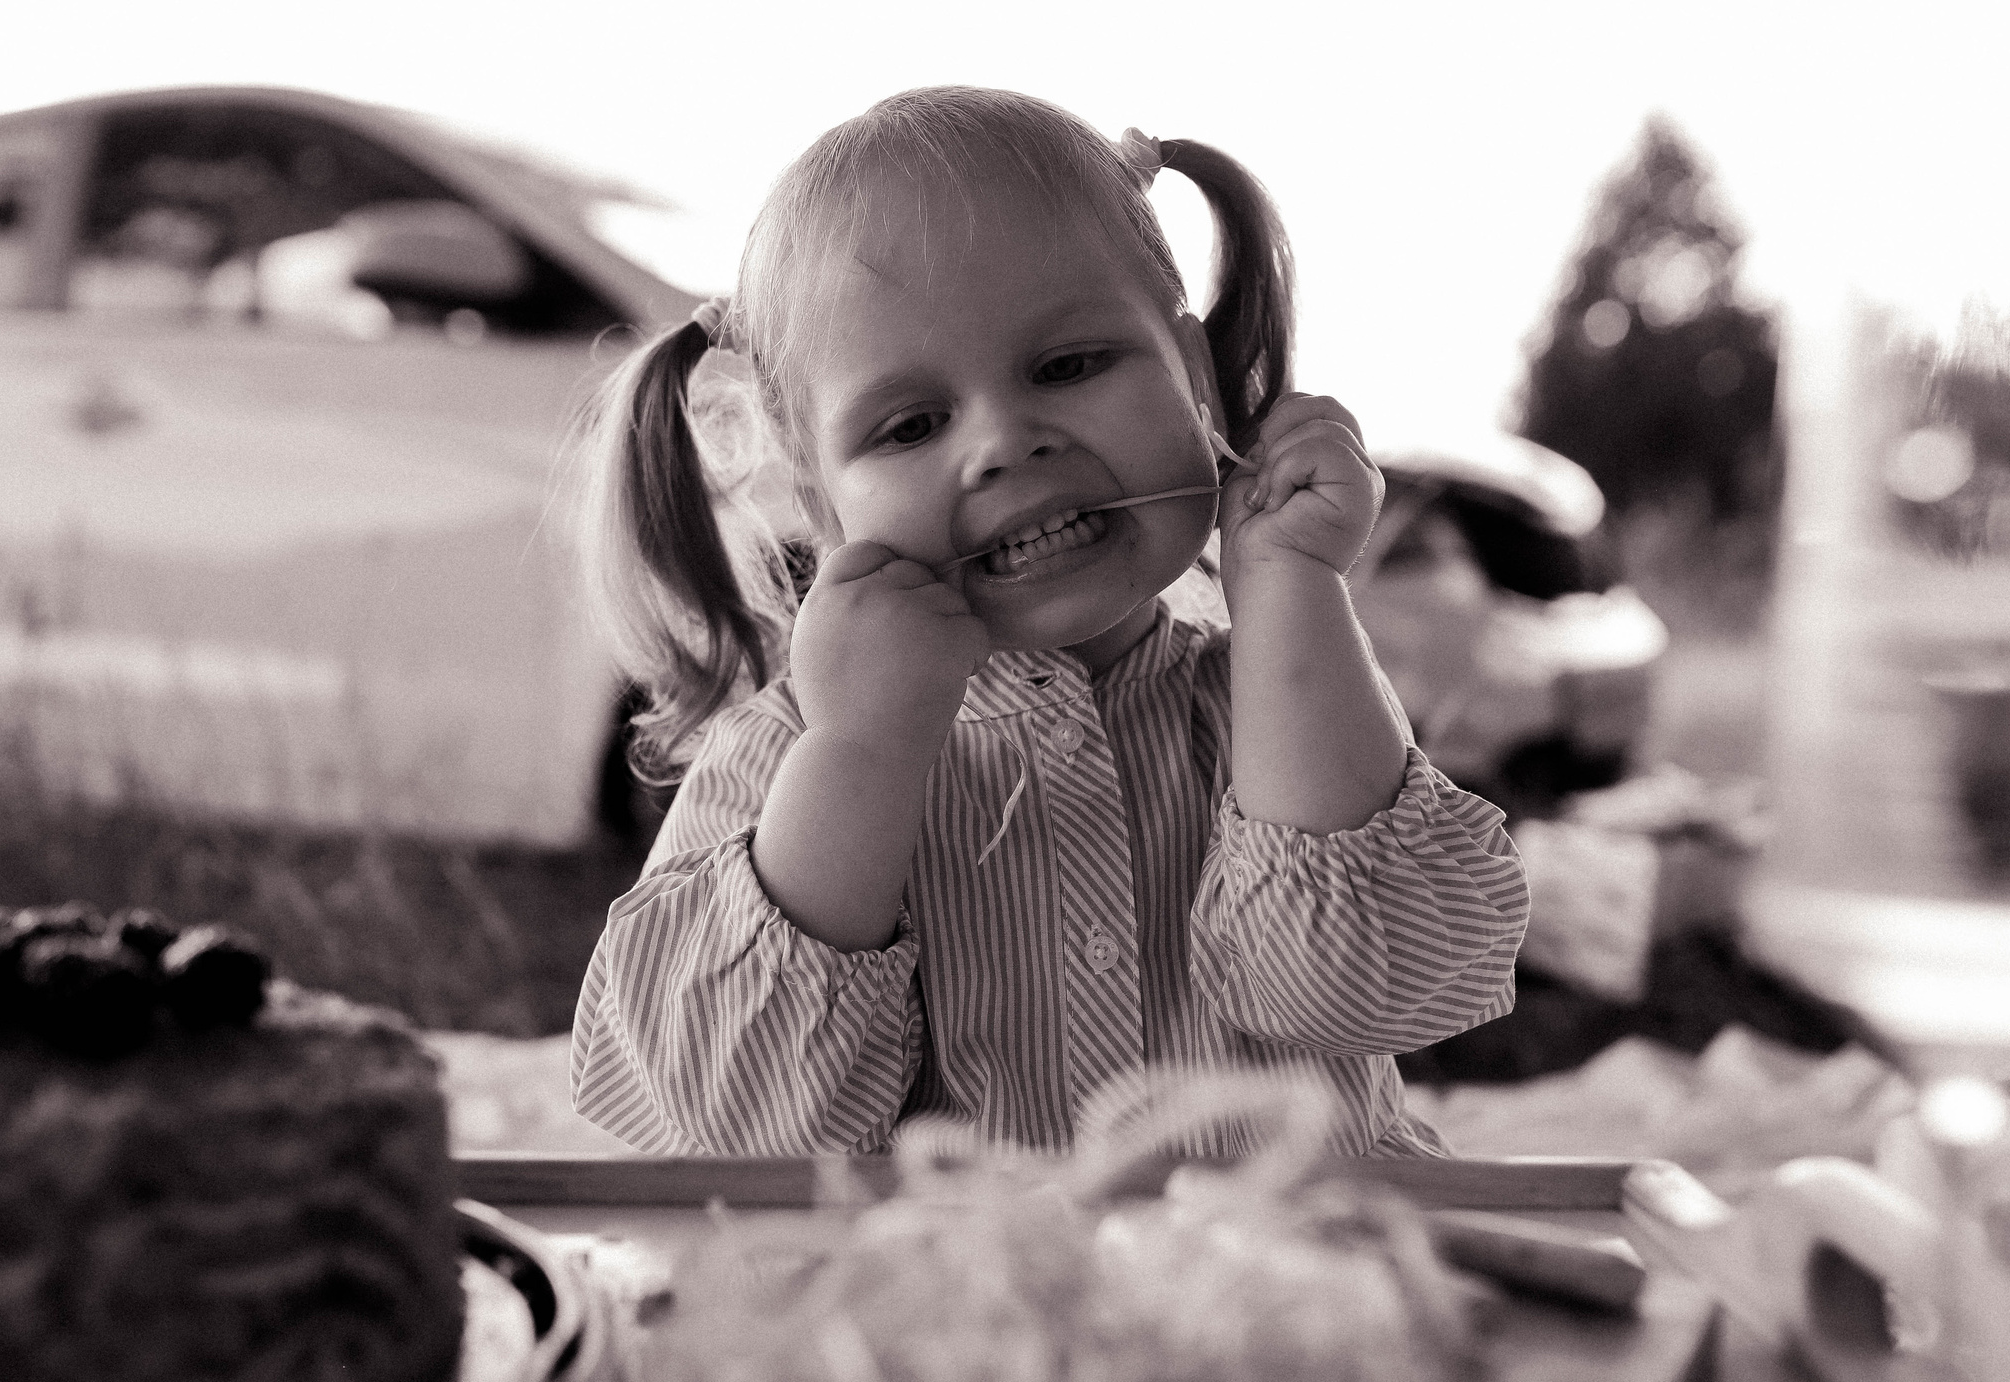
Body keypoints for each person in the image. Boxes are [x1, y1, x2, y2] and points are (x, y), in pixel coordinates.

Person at [564, 87, 1527, 1158]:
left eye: (1067, 367)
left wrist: (1293, 584)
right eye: (910, 424)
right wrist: (863, 752)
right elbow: (735, 1126)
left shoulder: (1277, 706)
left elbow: (1378, 992)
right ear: (819, 496)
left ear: (1195, 377)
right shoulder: (786, 759)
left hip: (1278, 1302)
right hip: (958, 1316)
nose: (1006, 443)